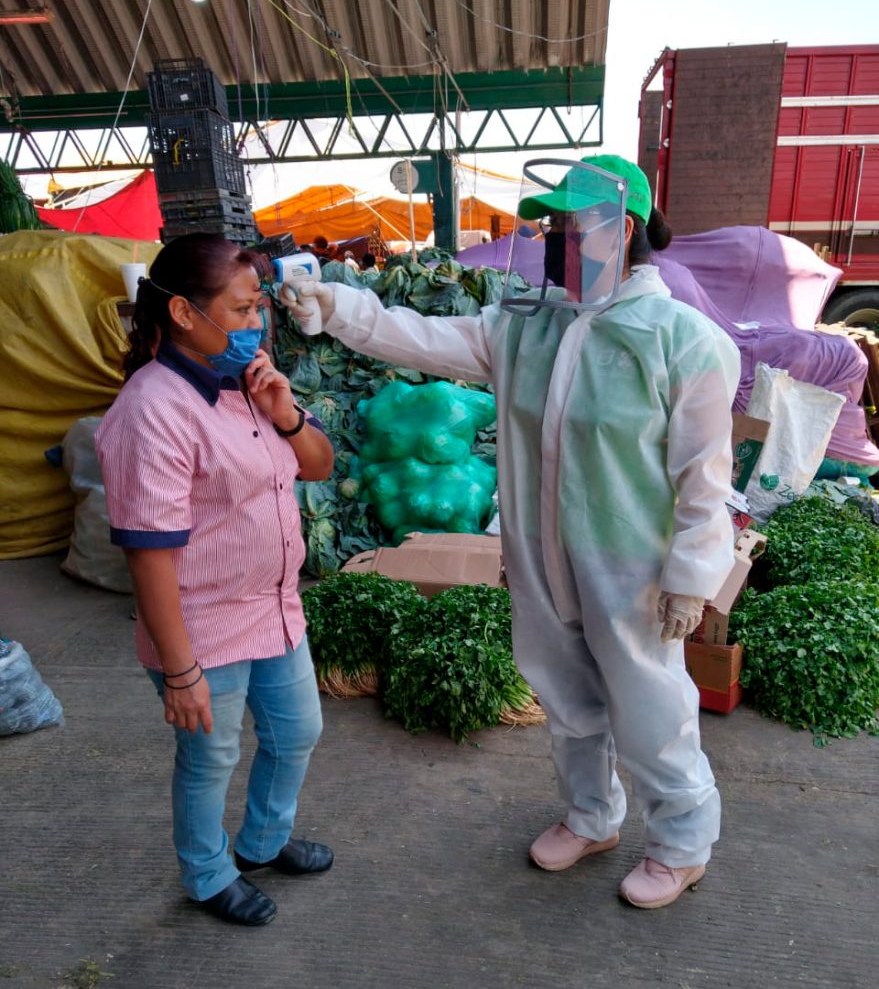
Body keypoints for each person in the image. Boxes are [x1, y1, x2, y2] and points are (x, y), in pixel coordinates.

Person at [285, 155, 740, 910]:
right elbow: (422, 336)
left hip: (632, 568)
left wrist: (692, 576)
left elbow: (704, 475)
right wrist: (336, 305)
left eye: (568, 228)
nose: (554, 242)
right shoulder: (529, 327)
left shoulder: (681, 342)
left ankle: (682, 844)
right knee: (565, 699)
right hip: (540, 555)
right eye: (551, 228)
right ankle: (592, 817)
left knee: (649, 709)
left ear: (618, 229)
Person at [95, 233, 335, 927]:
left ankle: (264, 841)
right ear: (182, 314)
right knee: (209, 757)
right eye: (238, 309)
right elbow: (148, 554)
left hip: (273, 610)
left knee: (296, 733)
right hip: (201, 625)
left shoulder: (249, 380)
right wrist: (180, 672)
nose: (255, 323)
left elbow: (315, 465)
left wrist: (285, 412)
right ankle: (206, 874)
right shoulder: (153, 411)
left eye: (258, 305)